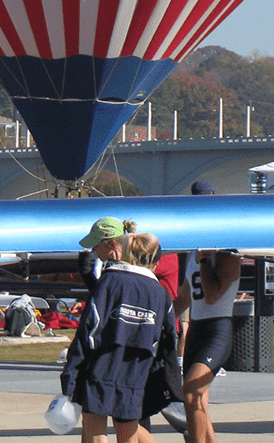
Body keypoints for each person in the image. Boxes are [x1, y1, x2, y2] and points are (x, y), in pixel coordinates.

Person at [61, 232, 177, 443]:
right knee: (128, 432)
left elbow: (89, 330)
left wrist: (70, 375)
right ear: (155, 261)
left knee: (96, 431)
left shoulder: (110, 281)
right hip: (137, 370)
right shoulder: (160, 293)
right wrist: (169, 381)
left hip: (102, 365)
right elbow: (168, 339)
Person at [174, 180, 240, 443]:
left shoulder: (227, 251)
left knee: (191, 391)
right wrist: (159, 316)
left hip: (217, 329)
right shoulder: (193, 249)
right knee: (196, 401)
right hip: (197, 330)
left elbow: (213, 296)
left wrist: (204, 261)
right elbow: (185, 297)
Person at [78, 216, 126, 292]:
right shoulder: (112, 271)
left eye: (96, 246)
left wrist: (85, 269)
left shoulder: (119, 275)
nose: (94, 250)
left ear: (111, 244)